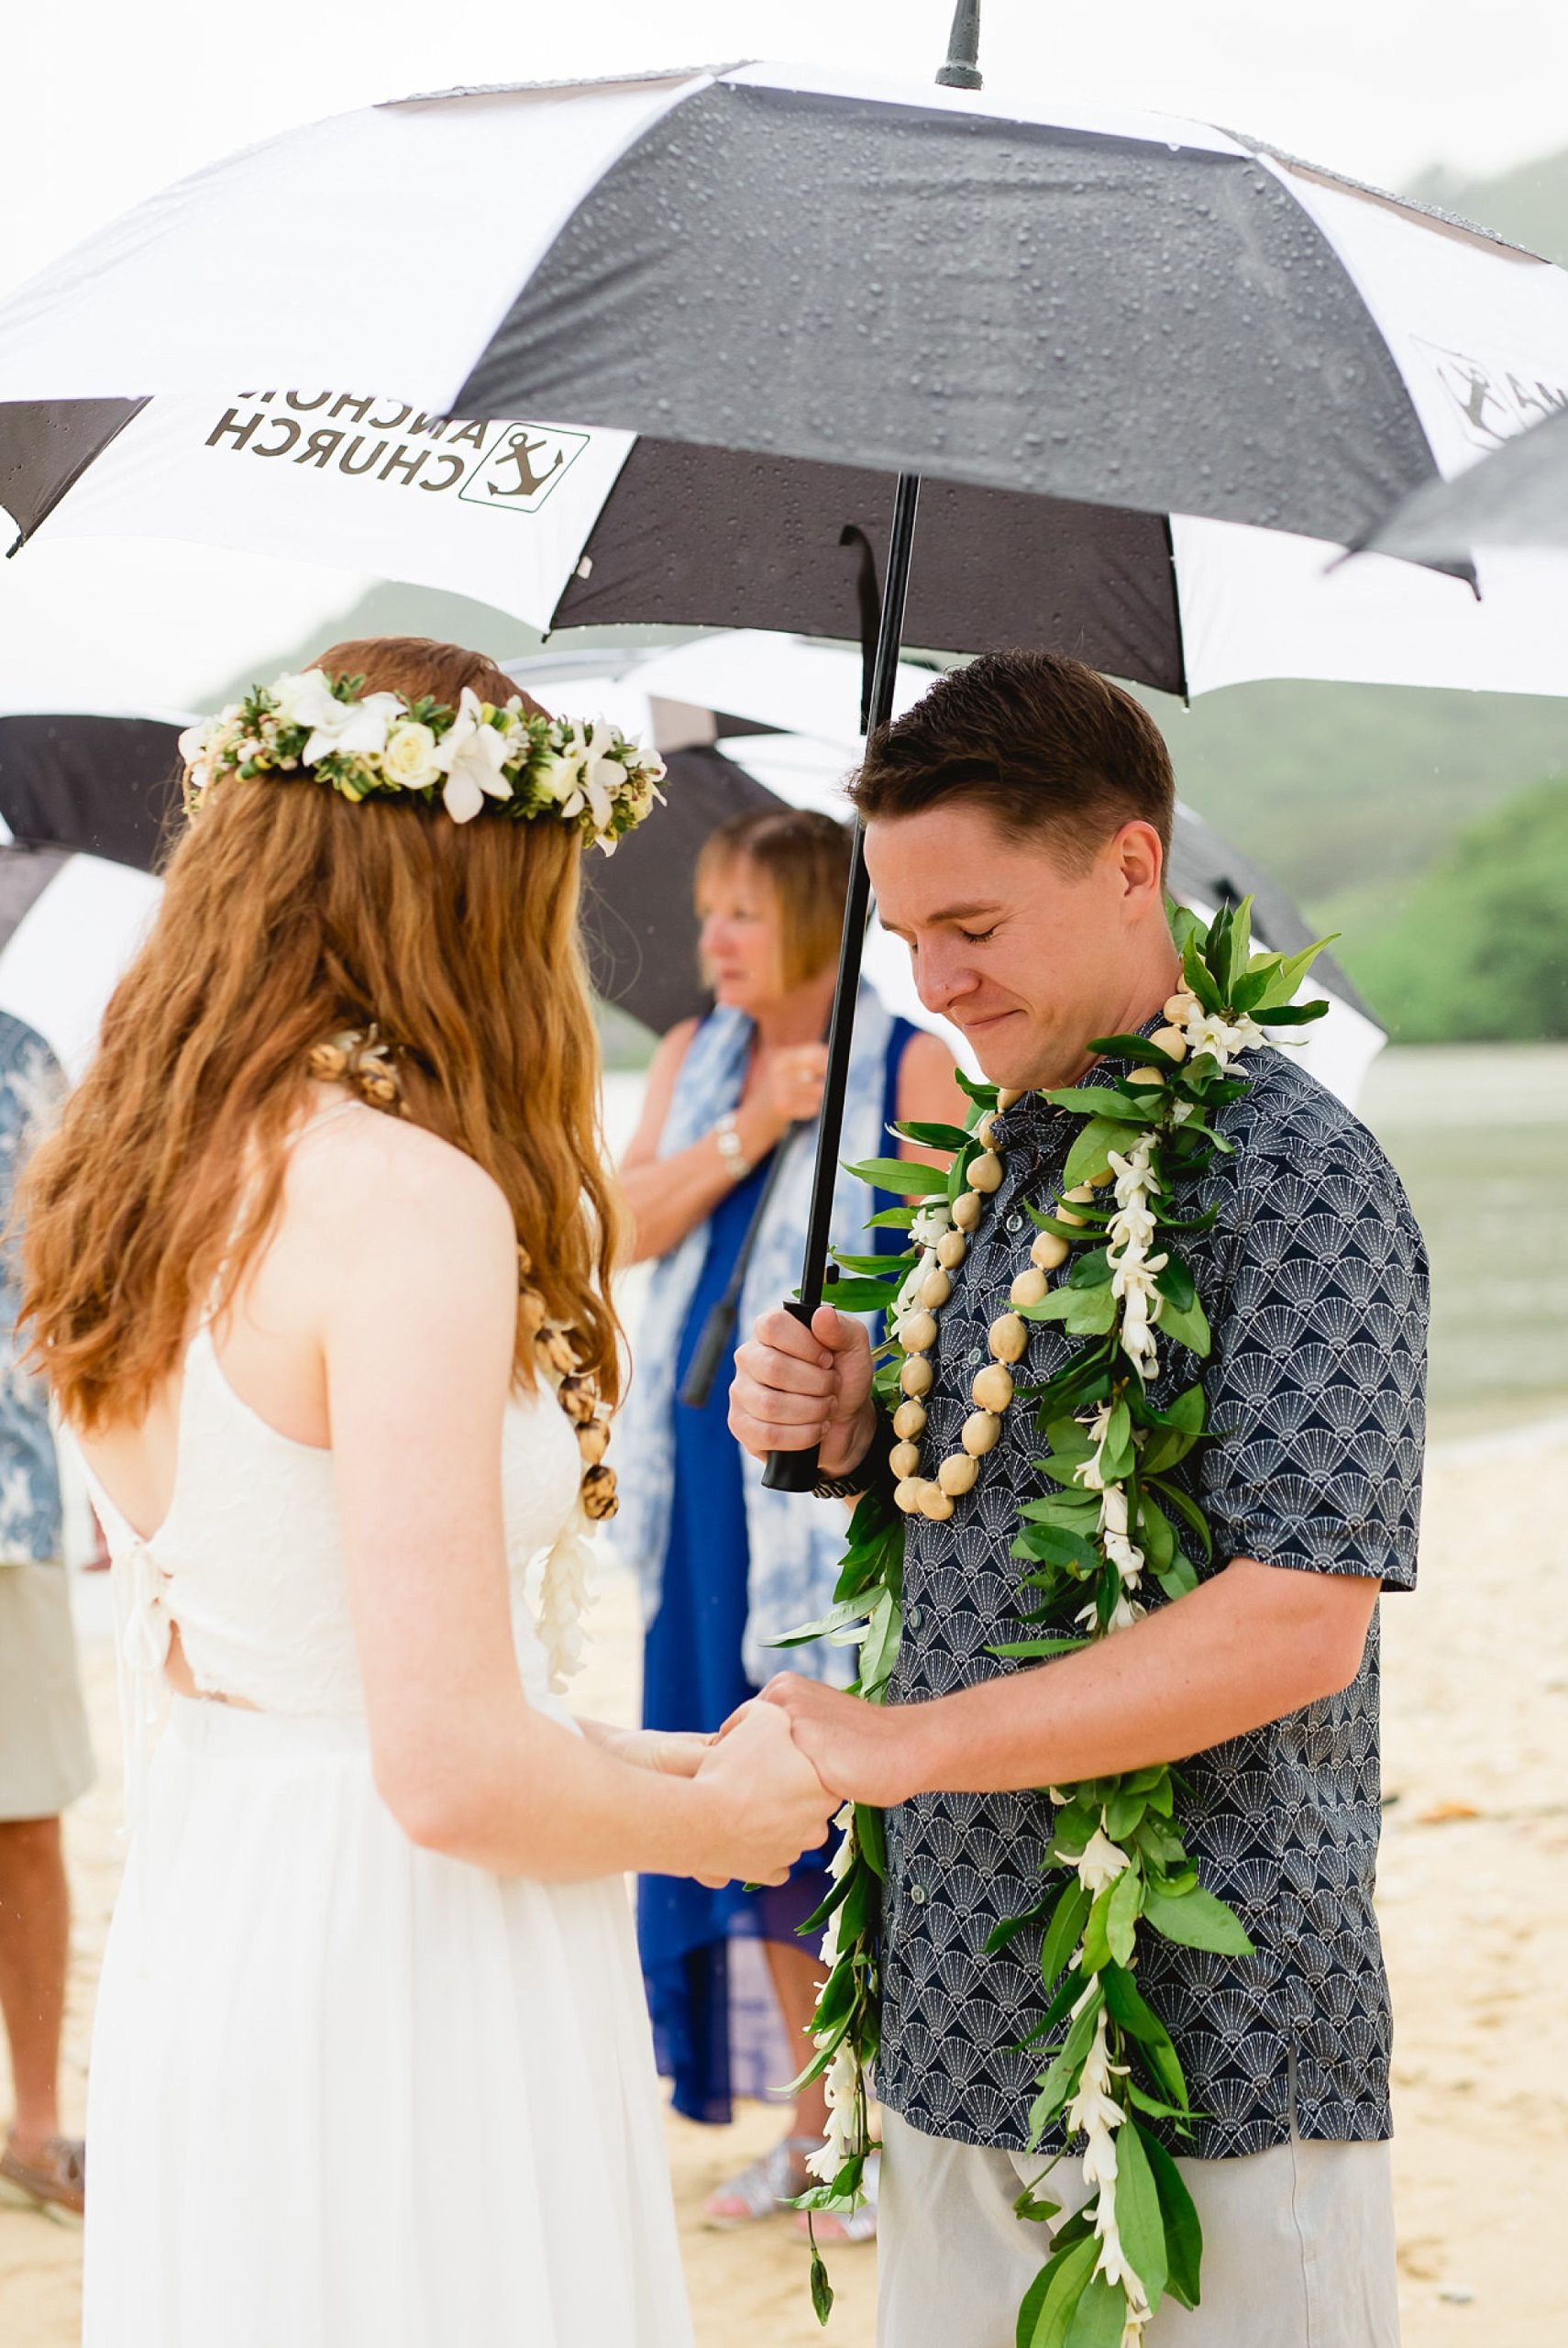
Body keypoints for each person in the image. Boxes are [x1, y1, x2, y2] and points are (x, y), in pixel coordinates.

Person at [17, 637, 836, 2348]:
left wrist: (670, 1751)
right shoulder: (400, 1203)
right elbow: (449, 1769)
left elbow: (317, 1648)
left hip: (234, 1891)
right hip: (410, 1943)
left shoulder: (125, 1162)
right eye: (544, 894)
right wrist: (724, 1827)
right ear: (457, 895)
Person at [730, 651, 1427, 2348]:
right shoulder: (1002, 1152)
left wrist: (896, 1747)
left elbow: (1293, 1623)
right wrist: (840, 1424)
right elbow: (989, 1475)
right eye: (902, 941)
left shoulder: (1296, 1176)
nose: (935, 984)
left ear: (1128, 865)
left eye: (972, 926)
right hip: (956, 1997)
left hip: (1218, 2033)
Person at [617, 808, 964, 2233]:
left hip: (823, 1488)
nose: (712, 942)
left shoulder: (913, 1060)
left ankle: (871, 2124)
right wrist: (752, 1130)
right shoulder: (695, 1056)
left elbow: (950, 1278)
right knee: (721, 1784)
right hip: (692, 1474)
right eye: (709, 914)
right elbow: (619, 1224)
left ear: (817, 917)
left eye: (740, 915)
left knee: (831, 1786)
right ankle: (807, 2129)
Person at [0, 1011, 92, 2225]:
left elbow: (82, 1281)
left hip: (7, 1504)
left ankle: (32, 2126)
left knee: (24, 1821)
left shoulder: (24, 1059)